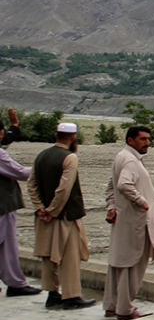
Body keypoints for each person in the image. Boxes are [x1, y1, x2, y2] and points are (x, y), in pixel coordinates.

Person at [28, 123, 94, 309]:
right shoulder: (70, 157)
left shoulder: (41, 155)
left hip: (43, 217)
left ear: (56, 135)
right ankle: (71, 296)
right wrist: (52, 211)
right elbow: (64, 189)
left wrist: (40, 208)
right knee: (70, 257)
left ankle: (52, 293)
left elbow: (31, 184)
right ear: (73, 138)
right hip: (64, 216)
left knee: (48, 255)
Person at [104, 125, 154, 320]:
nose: (147, 142)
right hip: (135, 222)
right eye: (142, 139)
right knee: (132, 264)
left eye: (148, 139)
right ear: (130, 141)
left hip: (126, 220)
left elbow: (111, 186)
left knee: (119, 263)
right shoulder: (129, 160)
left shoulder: (123, 157)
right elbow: (123, 184)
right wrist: (142, 202)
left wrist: (111, 206)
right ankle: (125, 309)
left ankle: (112, 305)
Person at [1, 108, 40, 297]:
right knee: (7, 244)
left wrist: (14, 126)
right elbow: (20, 172)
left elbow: (6, 142)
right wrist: (46, 166)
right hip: (3, 205)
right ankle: (15, 283)